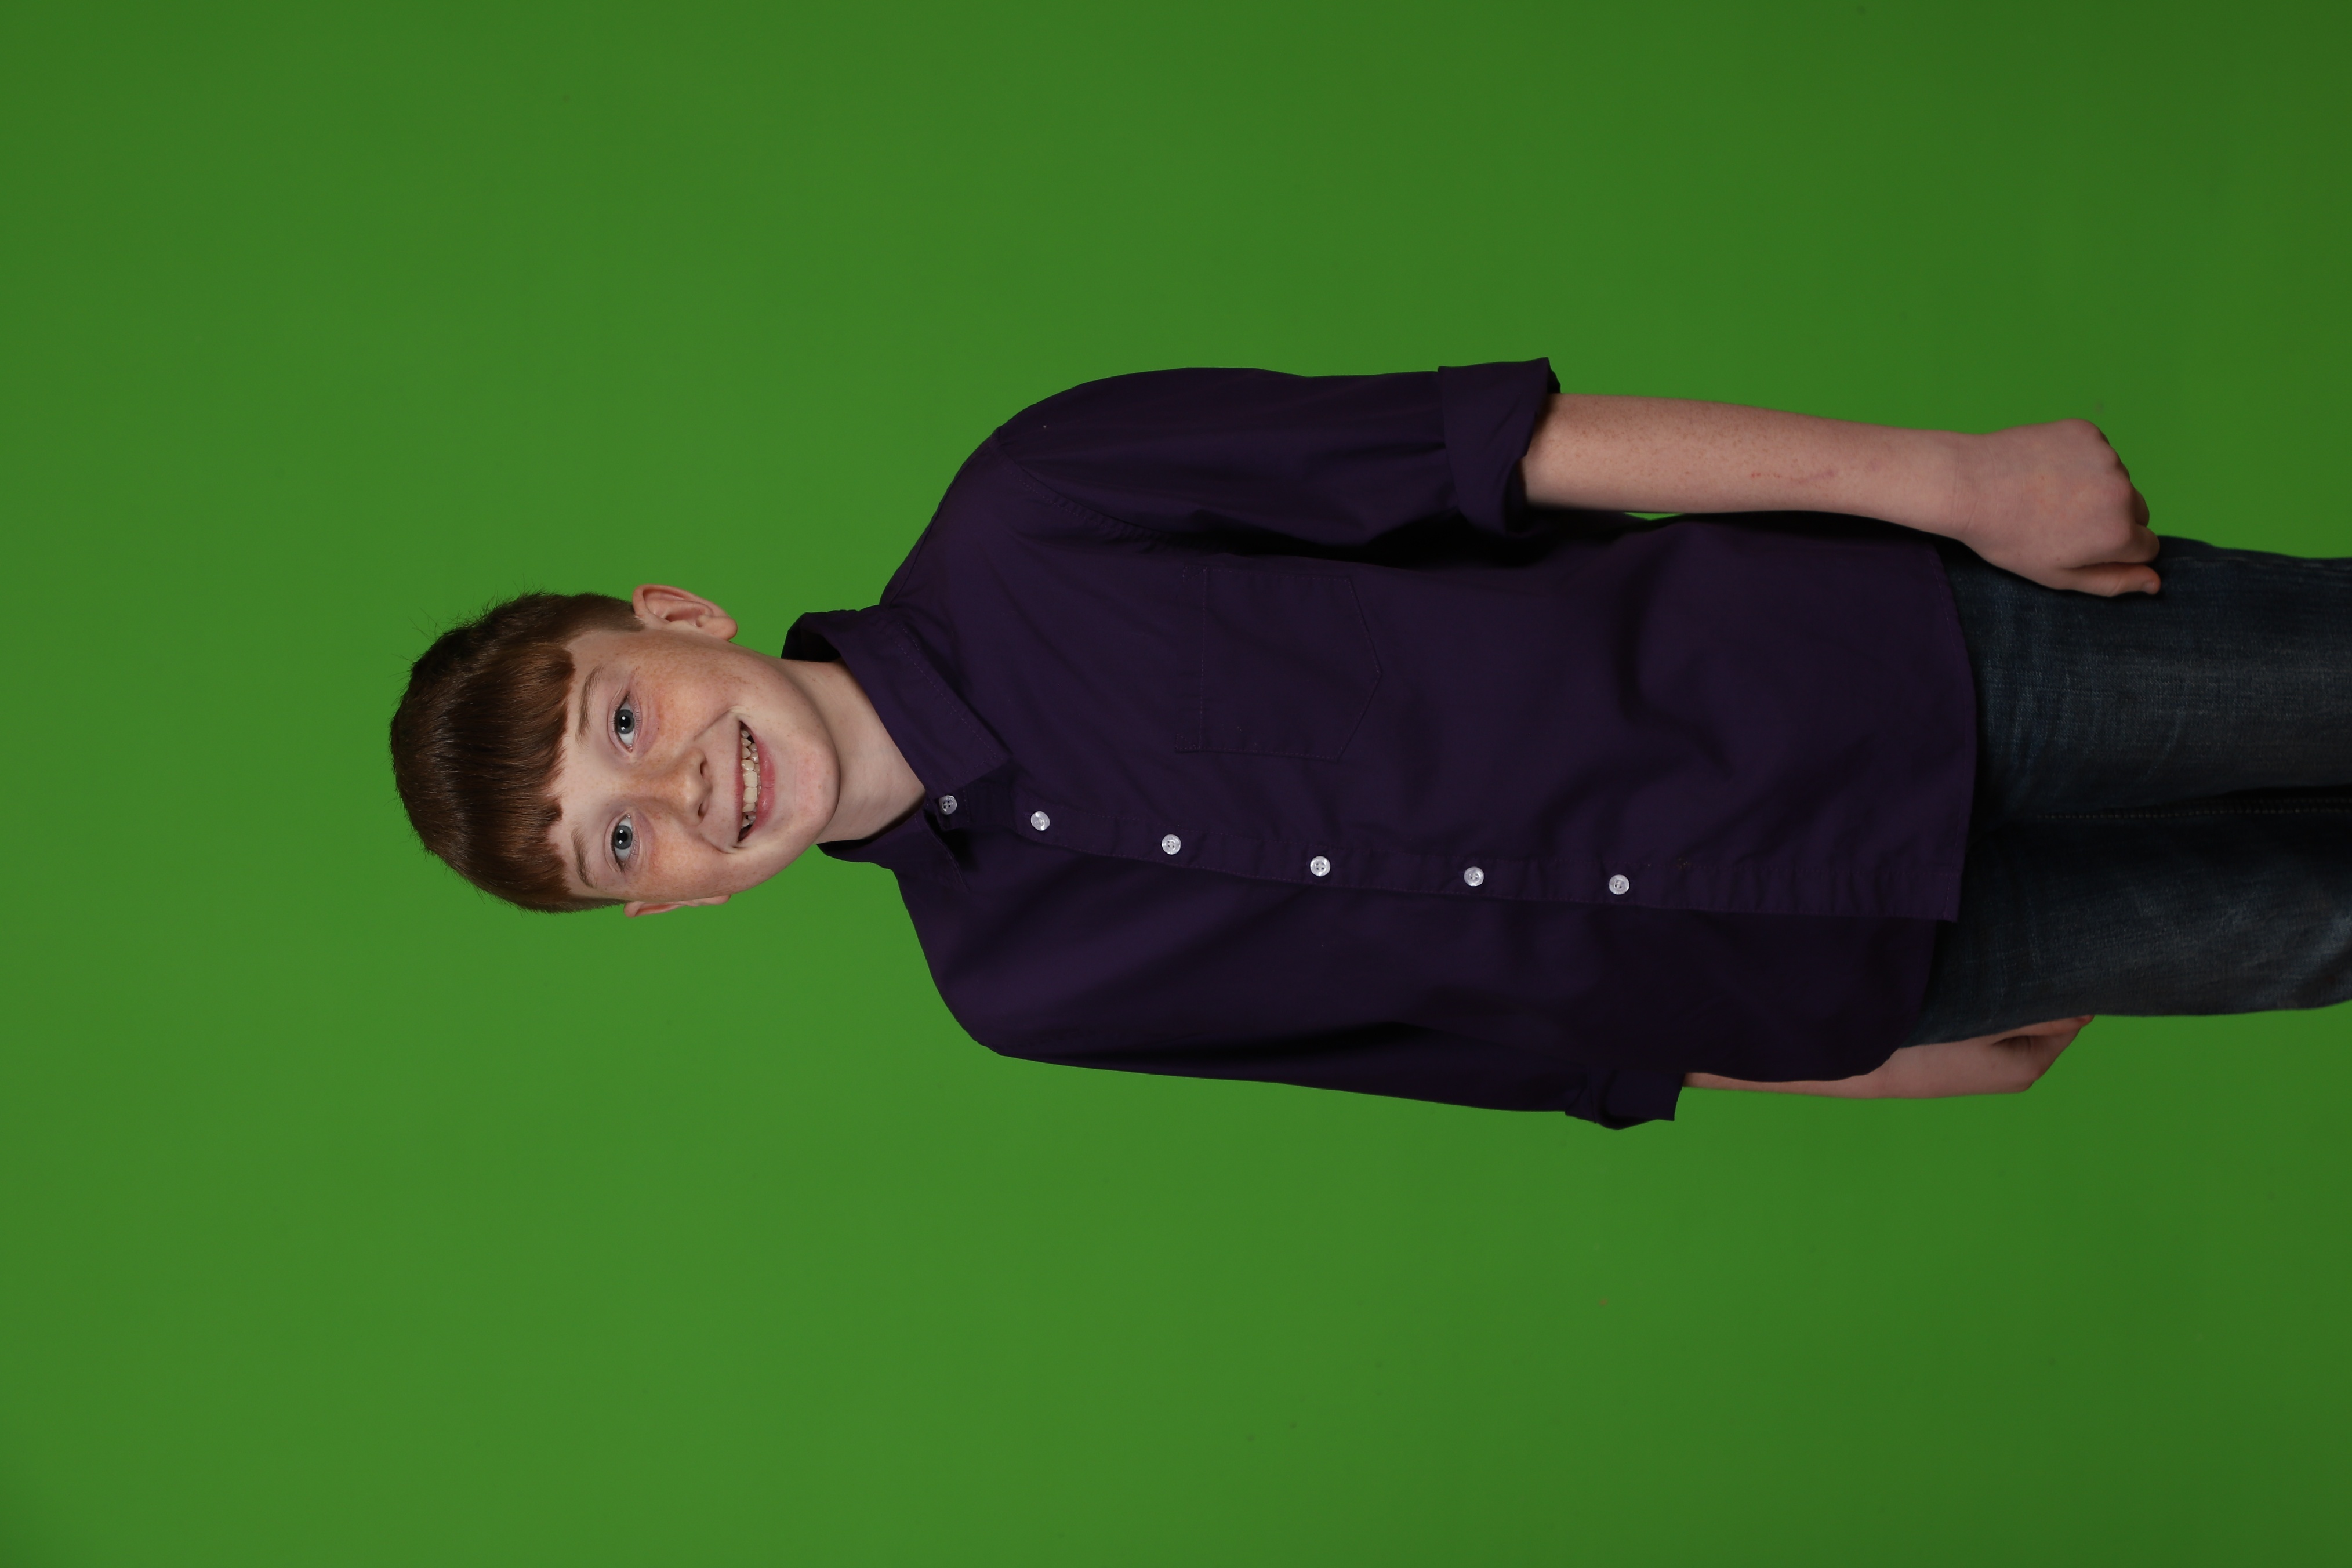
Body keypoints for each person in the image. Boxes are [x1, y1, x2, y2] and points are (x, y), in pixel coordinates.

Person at [389, 360, 2352, 1128]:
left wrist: (1948, 481)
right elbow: (1471, 1045)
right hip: (1843, 972)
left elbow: (1504, 449)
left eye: (621, 721)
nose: (676, 789)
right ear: (666, 905)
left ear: (676, 619)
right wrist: (1849, 1071)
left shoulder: (1037, 502)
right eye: (619, 839)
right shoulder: (1017, 991)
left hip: (1893, 671)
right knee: (2314, 934)